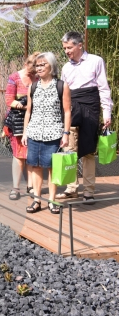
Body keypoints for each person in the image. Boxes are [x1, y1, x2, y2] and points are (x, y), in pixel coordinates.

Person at [55, 31, 113, 202]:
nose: (66, 51)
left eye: (69, 47)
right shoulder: (65, 67)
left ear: (80, 45)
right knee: (69, 149)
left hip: (91, 107)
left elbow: (103, 88)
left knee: (88, 150)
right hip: (72, 108)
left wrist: (106, 112)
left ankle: (89, 190)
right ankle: (71, 188)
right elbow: (65, 94)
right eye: (65, 48)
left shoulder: (96, 61)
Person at [21, 52, 71, 214]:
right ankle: (37, 200)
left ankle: (52, 200)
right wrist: (25, 132)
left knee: (51, 168)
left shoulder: (61, 86)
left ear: (52, 67)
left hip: (54, 133)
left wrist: (66, 133)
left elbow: (67, 111)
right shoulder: (32, 87)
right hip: (34, 133)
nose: (39, 68)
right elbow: (29, 111)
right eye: (37, 65)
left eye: (43, 65)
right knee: (35, 167)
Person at [4, 52, 40, 200]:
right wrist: (22, 106)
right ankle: (16, 188)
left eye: (36, 71)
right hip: (18, 121)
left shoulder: (39, 77)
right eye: (32, 71)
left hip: (35, 120)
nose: (34, 74)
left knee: (32, 154)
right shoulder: (15, 78)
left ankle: (31, 187)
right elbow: (9, 100)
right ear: (26, 65)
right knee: (19, 154)